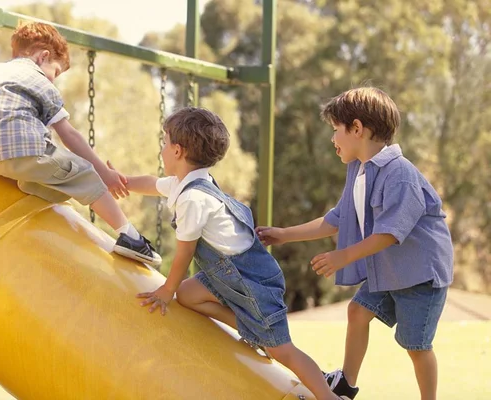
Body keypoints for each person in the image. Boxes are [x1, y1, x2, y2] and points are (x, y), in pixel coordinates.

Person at [121, 107, 340, 400]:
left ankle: (330, 397)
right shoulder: (190, 183)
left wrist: (166, 290)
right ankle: (253, 332)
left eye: (164, 142)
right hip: (228, 277)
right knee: (188, 295)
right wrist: (119, 180)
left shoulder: (193, 198)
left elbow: (185, 251)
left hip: (253, 282)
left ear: (177, 150)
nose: (161, 149)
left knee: (283, 350)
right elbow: (151, 183)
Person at [256, 87, 453, 400]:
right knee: (358, 312)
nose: (333, 139)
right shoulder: (360, 171)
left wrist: (342, 256)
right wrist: (283, 234)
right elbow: (337, 218)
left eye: (336, 130)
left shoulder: (399, 174)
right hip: (388, 271)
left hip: (420, 276)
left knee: (416, 346)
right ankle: (346, 384)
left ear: (358, 129)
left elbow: (391, 232)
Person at [0, 22, 160, 266]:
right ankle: (131, 237)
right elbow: (70, 135)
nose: (53, 80)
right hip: (22, 149)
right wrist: (103, 172)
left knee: (51, 181)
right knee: (85, 175)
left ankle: (26, 185)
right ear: (43, 57)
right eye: (56, 72)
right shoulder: (42, 83)